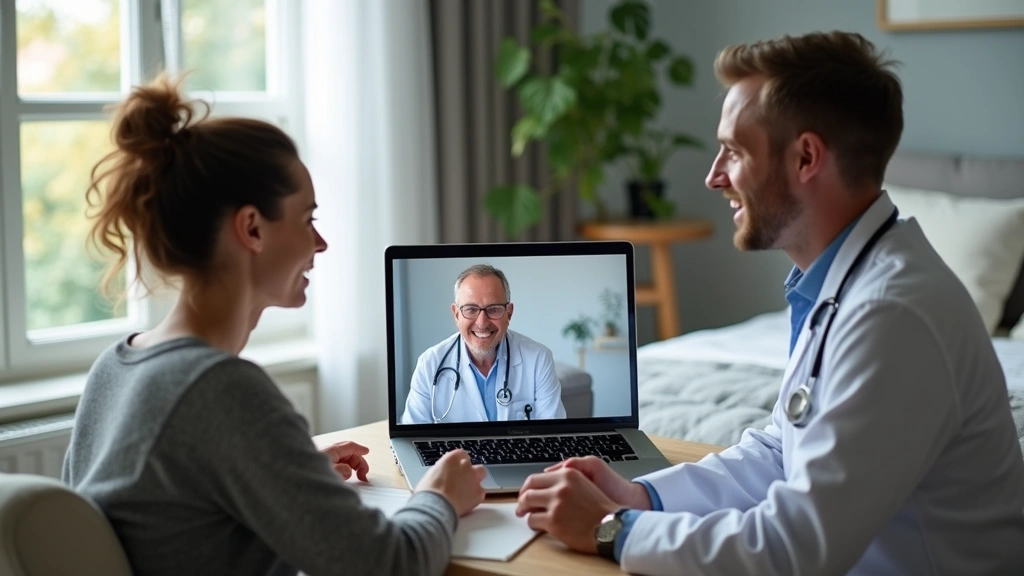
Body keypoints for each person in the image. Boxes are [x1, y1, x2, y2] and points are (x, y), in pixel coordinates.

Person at [513, 31, 1024, 574]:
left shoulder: (891, 315)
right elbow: (782, 450)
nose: (714, 177)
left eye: (734, 151)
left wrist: (610, 528)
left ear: (806, 157)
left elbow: (792, 550)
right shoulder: (841, 283)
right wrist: (640, 497)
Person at [62, 73, 487, 576]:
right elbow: (389, 564)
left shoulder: (114, 367)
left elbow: (180, 510)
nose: (320, 243)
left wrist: (291, 472)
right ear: (252, 228)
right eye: (308, 219)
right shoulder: (221, 391)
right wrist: (439, 495)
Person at [401, 264, 566, 424]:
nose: (481, 322)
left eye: (493, 309)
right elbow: (412, 436)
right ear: (456, 314)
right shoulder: (429, 364)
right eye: (471, 309)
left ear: (509, 314)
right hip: (454, 453)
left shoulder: (538, 359)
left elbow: (553, 433)